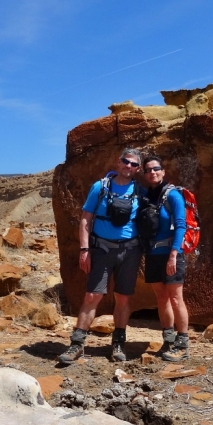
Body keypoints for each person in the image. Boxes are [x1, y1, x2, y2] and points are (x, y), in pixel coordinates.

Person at [58, 148, 143, 365]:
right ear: (118, 161)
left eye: (134, 164)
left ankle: (118, 344)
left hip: (130, 250)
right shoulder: (100, 187)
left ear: (138, 169)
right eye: (126, 161)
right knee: (92, 296)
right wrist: (84, 250)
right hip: (101, 249)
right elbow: (86, 219)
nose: (129, 166)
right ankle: (76, 344)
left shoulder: (140, 191)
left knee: (123, 298)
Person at [140, 155, 190, 362]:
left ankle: (183, 343)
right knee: (161, 298)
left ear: (163, 171)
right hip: (153, 254)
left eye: (156, 168)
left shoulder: (173, 195)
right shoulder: (146, 196)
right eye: (148, 169)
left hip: (171, 254)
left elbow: (181, 225)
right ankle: (168, 339)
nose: (153, 172)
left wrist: (173, 255)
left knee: (176, 298)